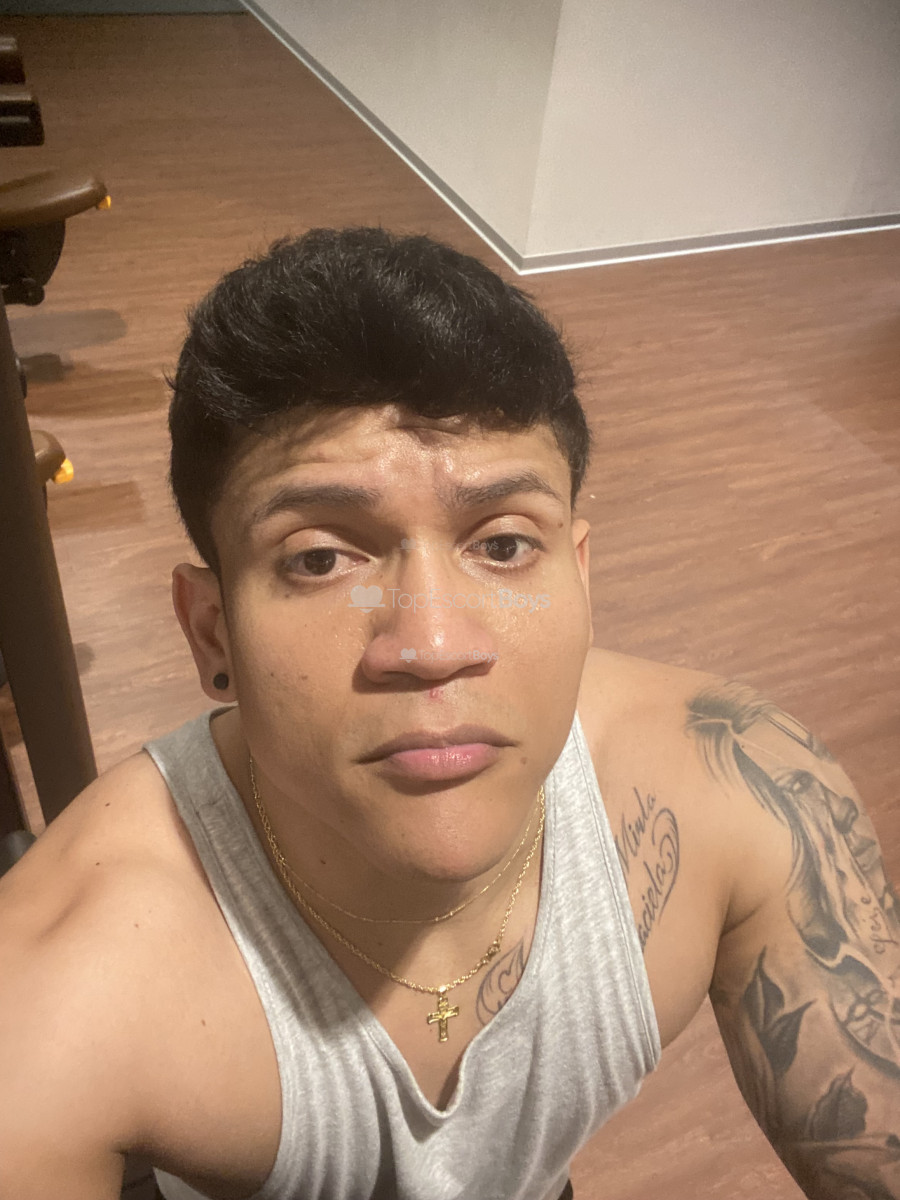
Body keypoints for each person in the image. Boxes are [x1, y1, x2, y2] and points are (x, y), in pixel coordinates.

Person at [1, 227, 897, 1200]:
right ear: (211, 631)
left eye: (504, 545)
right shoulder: (55, 988)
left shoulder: (743, 787)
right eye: (319, 558)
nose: (432, 644)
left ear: (580, 577)